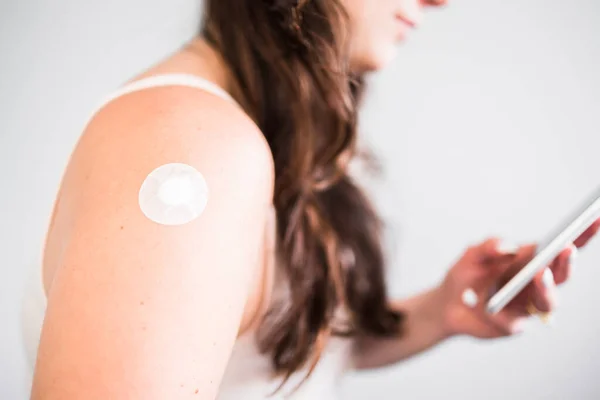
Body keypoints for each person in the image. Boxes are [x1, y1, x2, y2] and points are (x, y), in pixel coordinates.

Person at [24, 0, 600, 399]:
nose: (439, 2)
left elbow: (259, 359)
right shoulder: (193, 146)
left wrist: (438, 311)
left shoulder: (259, 125)